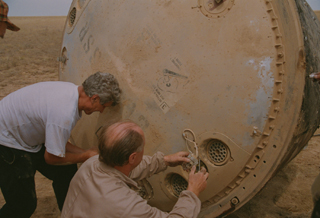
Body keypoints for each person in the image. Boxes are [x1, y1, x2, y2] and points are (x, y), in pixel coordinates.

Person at [0, 72, 121, 218]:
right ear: (94, 98)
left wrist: (85, 152)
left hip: (23, 136)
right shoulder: (64, 113)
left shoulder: (71, 92)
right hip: (6, 142)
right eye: (102, 106)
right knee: (22, 205)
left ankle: (69, 214)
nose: (101, 111)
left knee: (65, 170)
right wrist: (85, 156)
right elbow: (51, 158)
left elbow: (58, 143)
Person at [61, 120, 209, 218]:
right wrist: (192, 192)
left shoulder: (92, 163)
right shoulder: (125, 206)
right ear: (132, 158)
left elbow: (128, 170)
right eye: (143, 147)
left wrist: (164, 160)